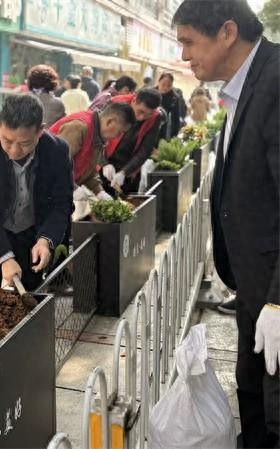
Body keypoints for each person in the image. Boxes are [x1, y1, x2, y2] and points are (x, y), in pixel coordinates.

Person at [174, 1, 279, 447]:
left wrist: (278, 303)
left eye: (188, 42)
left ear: (227, 32)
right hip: (254, 289)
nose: (183, 55)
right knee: (253, 400)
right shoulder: (243, 87)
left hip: (273, 295)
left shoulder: (276, 82)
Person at [0, 94, 73, 291]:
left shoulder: (57, 151)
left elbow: (61, 204)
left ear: (40, 130)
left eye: (24, 143)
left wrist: (45, 240)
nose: (14, 151)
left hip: (31, 236)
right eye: (7, 141)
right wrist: (4, 257)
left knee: (31, 297)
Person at [49, 102, 135, 199]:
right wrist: (73, 188)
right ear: (109, 122)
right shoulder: (79, 127)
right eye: (120, 132)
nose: (118, 137)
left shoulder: (98, 137)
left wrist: (98, 190)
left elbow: (89, 170)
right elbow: (55, 164)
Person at [100, 88, 166, 195]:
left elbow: (145, 150)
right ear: (134, 101)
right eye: (140, 111)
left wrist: (124, 172)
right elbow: (96, 136)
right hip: (103, 161)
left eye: (148, 114)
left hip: (130, 167)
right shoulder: (115, 103)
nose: (142, 118)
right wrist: (104, 163)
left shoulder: (156, 117)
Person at [157, 72, 182, 140]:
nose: (165, 87)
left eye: (169, 85)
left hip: (163, 127)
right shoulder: (151, 92)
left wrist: (174, 136)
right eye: (163, 84)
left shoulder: (174, 97)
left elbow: (176, 118)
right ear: (159, 82)